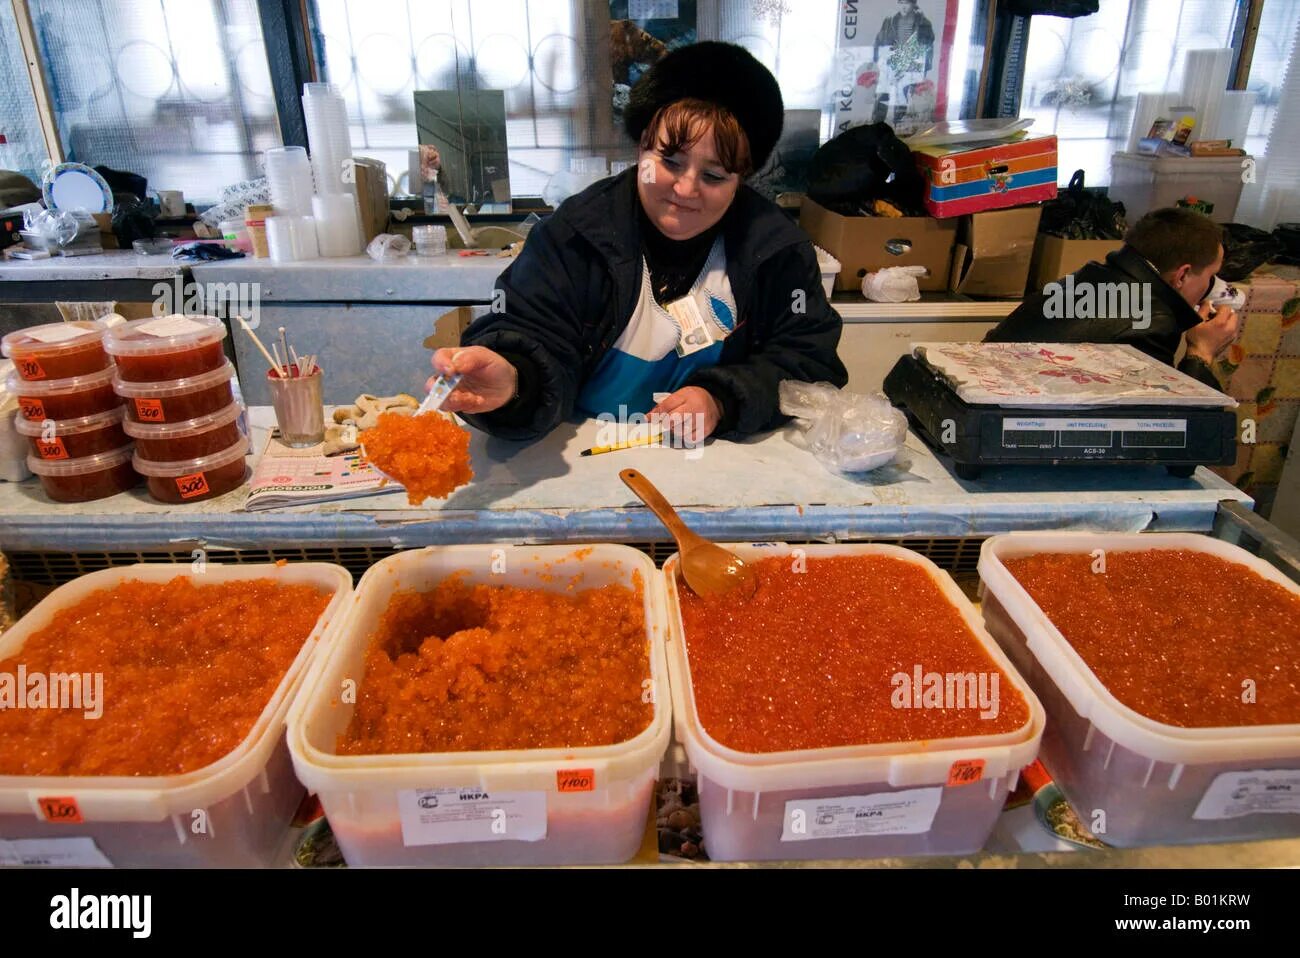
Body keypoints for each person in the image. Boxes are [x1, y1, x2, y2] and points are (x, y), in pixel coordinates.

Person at [430, 41, 847, 443]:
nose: (685, 189)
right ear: (641, 148)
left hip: (717, 464)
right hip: (582, 457)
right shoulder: (574, 235)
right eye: (669, 161)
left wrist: (722, 398)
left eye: (715, 176)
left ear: (742, 179)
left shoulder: (776, 251)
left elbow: (809, 359)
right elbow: (527, 329)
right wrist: (514, 380)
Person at [985, 207, 1242, 390]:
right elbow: (1175, 434)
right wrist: (1201, 353)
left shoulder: (1089, 278)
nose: (1212, 287)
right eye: (1211, 275)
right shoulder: (1152, 321)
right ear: (1183, 275)